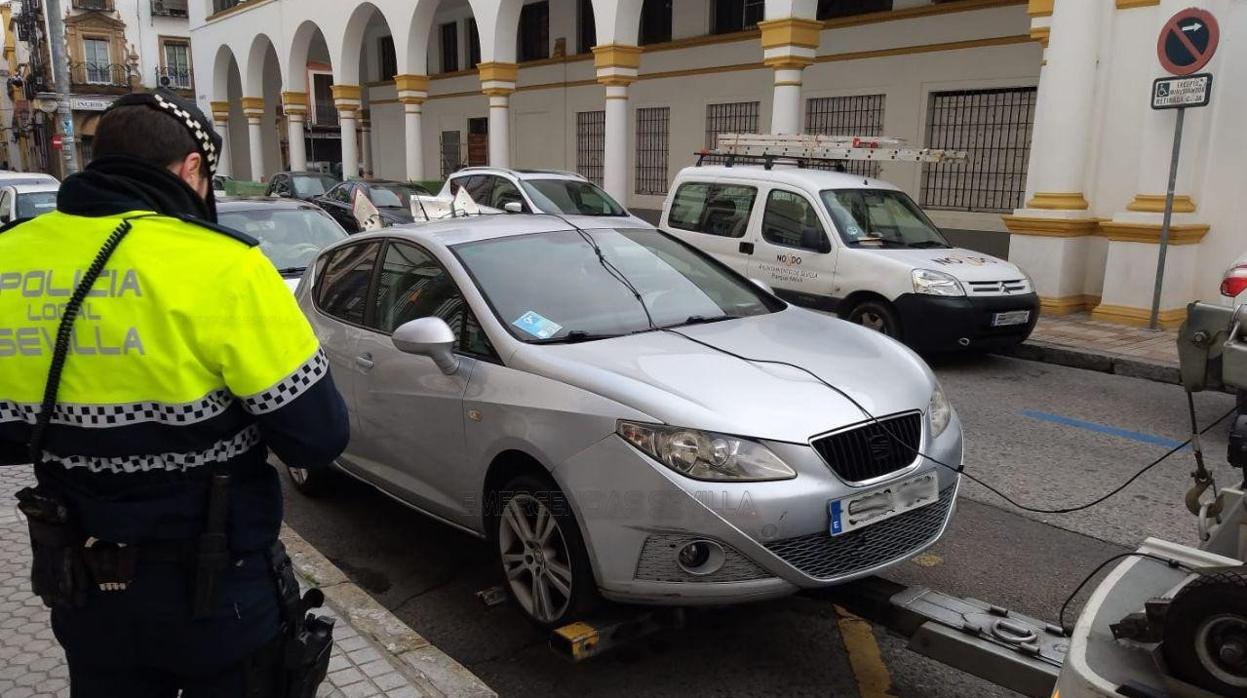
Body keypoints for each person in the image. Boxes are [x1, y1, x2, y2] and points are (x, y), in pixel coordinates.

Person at [0, 89, 350, 696]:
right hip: (219, 594)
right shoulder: (224, 266)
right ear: (192, 169)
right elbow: (318, 438)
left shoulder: (8, 258)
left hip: (84, 589)